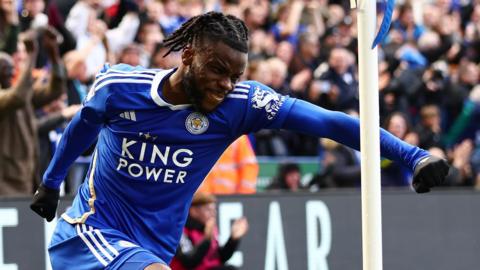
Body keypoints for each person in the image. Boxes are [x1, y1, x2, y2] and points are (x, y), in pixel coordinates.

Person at [30, 12, 449, 270]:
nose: (225, 85)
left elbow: (330, 122)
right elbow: (83, 124)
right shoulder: (120, 87)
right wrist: (51, 183)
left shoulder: (239, 105)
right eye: (217, 69)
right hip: (91, 233)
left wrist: (411, 156)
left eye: (236, 76)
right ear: (189, 55)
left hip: (151, 249)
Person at [0, 28, 67, 196]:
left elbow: (56, 90)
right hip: (6, 181)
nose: (9, 69)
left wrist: (53, 54)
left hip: (28, 175)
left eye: (10, 66)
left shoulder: (22, 94)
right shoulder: (8, 97)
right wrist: (31, 56)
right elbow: (18, 97)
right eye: (3, 67)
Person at [170, 192, 248, 270]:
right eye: (208, 210)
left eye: (214, 209)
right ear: (194, 211)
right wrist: (206, 239)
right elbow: (189, 262)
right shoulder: (181, 231)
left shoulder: (209, 228)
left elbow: (219, 258)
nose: (213, 213)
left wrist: (233, 239)